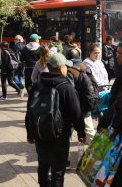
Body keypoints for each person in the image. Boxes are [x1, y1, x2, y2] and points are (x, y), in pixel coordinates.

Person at [26, 53, 86, 187]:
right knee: (57, 172)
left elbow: (29, 112)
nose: (66, 69)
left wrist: (30, 133)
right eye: (65, 66)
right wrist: (81, 133)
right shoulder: (67, 88)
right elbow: (76, 114)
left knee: (42, 165)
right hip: (60, 136)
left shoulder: (37, 85)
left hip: (40, 134)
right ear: (60, 68)